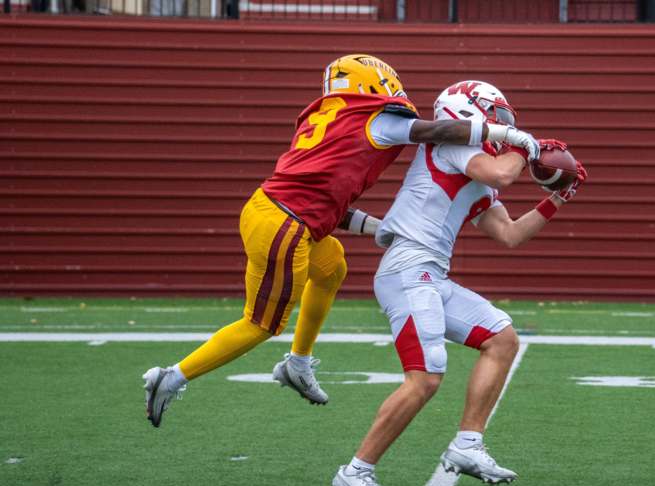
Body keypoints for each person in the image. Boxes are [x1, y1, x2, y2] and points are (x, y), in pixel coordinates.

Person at [142, 57, 542, 428]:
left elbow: (326, 201)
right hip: (285, 224)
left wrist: (377, 227)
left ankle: (299, 362)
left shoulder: (329, 118)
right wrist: (508, 135)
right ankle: (172, 376)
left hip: (274, 212)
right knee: (260, 324)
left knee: (332, 265)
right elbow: (434, 131)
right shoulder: (375, 118)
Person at [331, 80, 587, 486]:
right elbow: (503, 173)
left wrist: (558, 199)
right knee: (425, 377)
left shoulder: (475, 168)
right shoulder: (450, 146)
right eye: (495, 115)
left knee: (502, 339)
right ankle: (356, 471)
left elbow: (509, 234)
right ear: (467, 110)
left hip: (430, 275)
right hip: (408, 269)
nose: (501, 125)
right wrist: (523, 146)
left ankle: (468, 444)